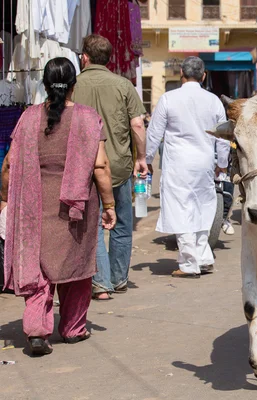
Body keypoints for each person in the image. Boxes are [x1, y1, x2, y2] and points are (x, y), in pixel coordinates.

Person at [1, 57, 116, 356]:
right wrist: (109, 204)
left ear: (45, 84)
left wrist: (3, 199)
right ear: (73, 86)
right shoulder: (88, 118)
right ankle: (73, 329)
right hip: (74, 210)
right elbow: (101, 166)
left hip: (33, 208)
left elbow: (10, 163)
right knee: (76, 267)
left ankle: (37, 331)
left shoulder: (28, 118)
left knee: (38, 270)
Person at [72, 34, 148, 300]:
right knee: (122, 225)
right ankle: (118, 279)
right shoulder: (123, 85)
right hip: (119, 166)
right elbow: (137, 124)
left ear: (84, 57)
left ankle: (100, 283)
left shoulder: (73, 84)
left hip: (83, 168)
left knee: (92, 226)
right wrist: (141, 158)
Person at [146, 56, 230, 278]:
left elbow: (154, 134)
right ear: (203, 76)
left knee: (180, 209)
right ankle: (203, 257)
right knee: (203, 207)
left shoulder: (168, 99)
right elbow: (223, 137)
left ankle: (189, 262)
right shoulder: (214, 101)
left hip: (178, 164)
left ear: (181, 72)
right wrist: (222, 164)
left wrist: (145, 159)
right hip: (204, 163)